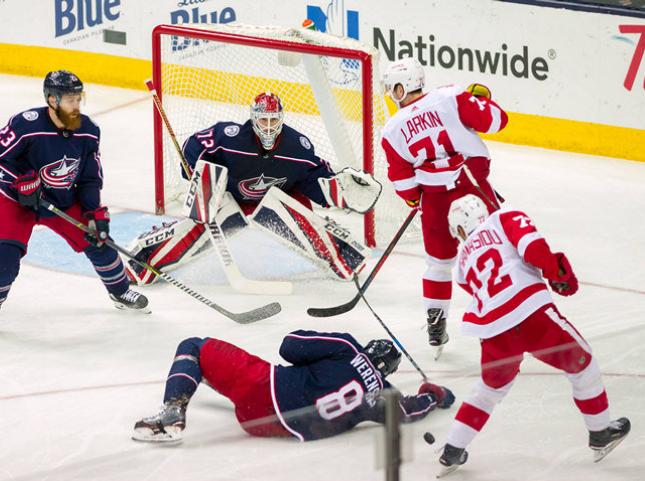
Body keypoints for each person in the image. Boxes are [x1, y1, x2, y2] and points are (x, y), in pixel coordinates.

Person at [436, 195, 630, 477]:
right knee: (583, 364)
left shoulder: (462, 265)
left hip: (494, 330)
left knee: (488, 390)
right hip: (532, 314)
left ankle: (452, 450)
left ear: (460, 229)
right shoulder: (503, 218)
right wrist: (555, 271)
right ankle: (600, 431)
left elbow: (483, 292)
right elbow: (531, 247)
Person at [0, 70, 149, 333]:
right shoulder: (26, 125)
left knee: (100, 243)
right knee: (4, 260)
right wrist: (18, 180)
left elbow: (89, 178)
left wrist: (94, 212)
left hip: (62, 202)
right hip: (18, 203)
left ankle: (120, 292)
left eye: (78, 99)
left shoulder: (89, 131)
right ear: (51, 100)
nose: (76, 106)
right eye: (69, 100)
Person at [124, 92, 382, 285]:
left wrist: (340, 189)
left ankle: (345, 259)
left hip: (277, 201)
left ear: (281, 118)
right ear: (253, 118)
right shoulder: (230, 137)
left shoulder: (298, 148)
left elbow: (315, 181)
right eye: (263, 120)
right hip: (232, 198)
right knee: (203, 225)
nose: (268, 126)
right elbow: (194, 145)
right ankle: (144, 260)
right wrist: (194, 170)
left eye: (273, 120)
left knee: (303, 220)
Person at [380, 58, 509, 359]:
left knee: (438, 265)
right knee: (492, 252)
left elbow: (401, 178)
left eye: (394, 89)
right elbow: (497, 122)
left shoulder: (392, 128)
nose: (392, 95)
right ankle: (503, 317)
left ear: (407, 85)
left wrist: (415, 199)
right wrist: (479, 101)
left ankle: (436, 320)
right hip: (472, 188)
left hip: (435, 201)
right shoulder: (451, 96)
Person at [132, 329, 454, 444]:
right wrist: (434, 395)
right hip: (275, 429)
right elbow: (409, 412)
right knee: (225, 371)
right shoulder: (387, 394)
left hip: (265, 390)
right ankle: (202, 376)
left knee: (195, 347)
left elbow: (289, 346)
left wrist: (328, 356)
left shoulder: (349, 347)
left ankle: (173, 411)